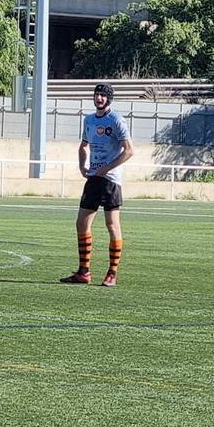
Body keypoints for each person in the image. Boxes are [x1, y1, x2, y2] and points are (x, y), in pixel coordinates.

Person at [61, 82, 134, 287]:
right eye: (97, 94)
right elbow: (83, 145)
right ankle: (84, 272)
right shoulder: (89, 120)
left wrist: (108, 168)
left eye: (103, 95)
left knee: (112, 225)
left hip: (110, 181)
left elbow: (129, 150)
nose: (99, 98)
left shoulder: (117, 120)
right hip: (93, 178)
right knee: (82, 223)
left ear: (109, 99)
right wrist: (82, 165)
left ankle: (112, 272)